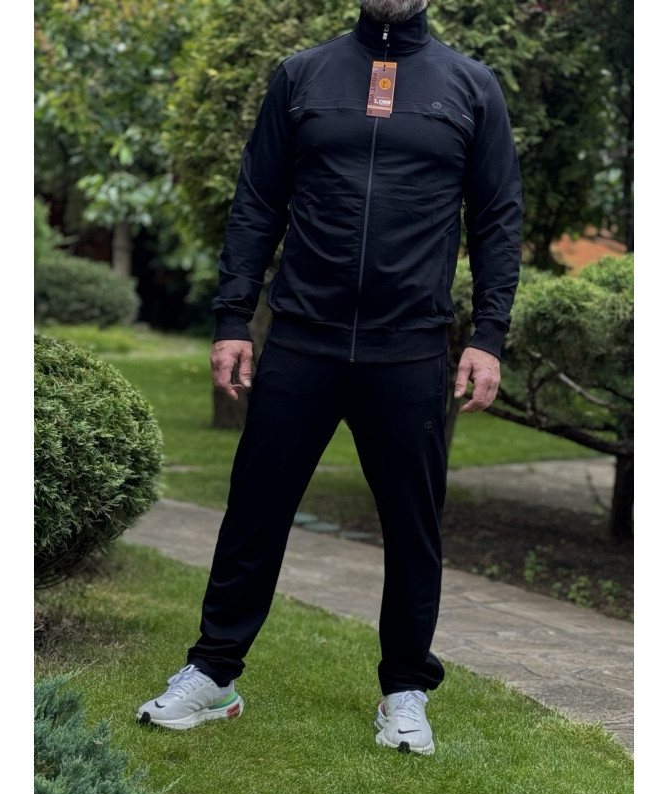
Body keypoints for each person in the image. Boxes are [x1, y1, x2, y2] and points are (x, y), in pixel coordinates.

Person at [137, 0, 522, 755]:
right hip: (302, 338)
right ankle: (213, 674)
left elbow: (497, 217)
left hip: (409, 346)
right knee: (255, 511)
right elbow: (257, 202)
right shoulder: (301, 76)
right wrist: (232, 317)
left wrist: (489, 336)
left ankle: (405, 690)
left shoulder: (471, 87)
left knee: (413, 528)